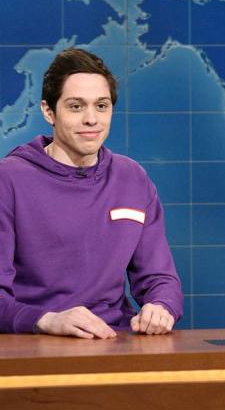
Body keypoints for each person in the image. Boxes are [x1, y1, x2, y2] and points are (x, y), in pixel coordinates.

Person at [0, 48, 183, 338]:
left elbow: (160, 278)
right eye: (76, 106)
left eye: (101, 106)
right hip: (35, 343)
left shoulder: (132, 178)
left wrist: (161, 306)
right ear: (49, 111)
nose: (91, 119)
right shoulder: (9, 179)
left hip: (113, 340)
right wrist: (47, 321)